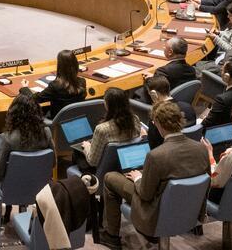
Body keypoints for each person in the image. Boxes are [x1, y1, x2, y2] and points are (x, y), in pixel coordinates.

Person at [101, 101, 210, 250]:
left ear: (158, 124)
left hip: (157, 212)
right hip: (191, 209)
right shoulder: (201, 149)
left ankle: (111, 236)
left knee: (110, 178)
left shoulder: (156, 156)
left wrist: (138, 178)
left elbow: (145, 195)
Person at [74, 87, 142, 173]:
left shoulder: (102, 129)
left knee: (77, 152)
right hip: (127, 164)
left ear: (107, 105)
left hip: (105, 170)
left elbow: (93, 162)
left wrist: (87, 147)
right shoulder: (135, 119)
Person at [0, 93, 53, 181]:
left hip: (13, 184)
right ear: (37, 112)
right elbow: (53, 163)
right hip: (40, 182)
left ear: (13, 114)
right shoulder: (46, 132)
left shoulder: (7, 138)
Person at [30, 49, 87, 119]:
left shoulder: (55, 86)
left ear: (60, 66)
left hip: (59, 122)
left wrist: (25, 88)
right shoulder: (82, 82)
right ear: (76, 64)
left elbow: (35, 99)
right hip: (78, 119)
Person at [144, 75, 195, 148]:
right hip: (190, 147)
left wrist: (144, 136)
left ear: (153, 94)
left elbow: (153, 145)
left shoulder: (156, 116)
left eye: (149, 93)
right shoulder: (188, 107)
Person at [200, 1, 232, 72]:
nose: (228, 17)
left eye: (230, 15)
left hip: (221, 56)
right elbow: (227, 34)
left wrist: (215, 38)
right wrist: (219, 33)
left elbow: (231, 50)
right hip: (218, 48)